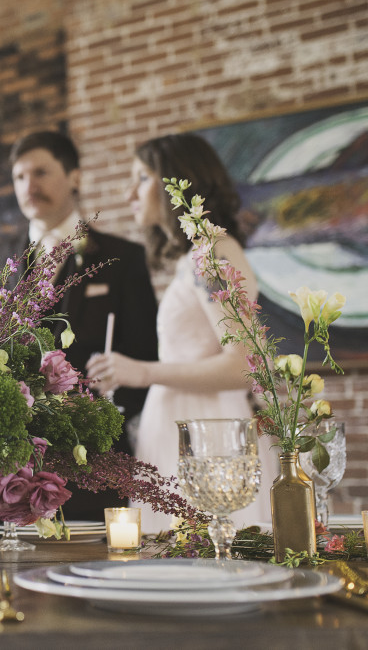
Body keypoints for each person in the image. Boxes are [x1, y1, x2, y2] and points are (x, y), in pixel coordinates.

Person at [0, 130, 159, 532]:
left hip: (90, 474)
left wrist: (97, 419)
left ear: (75, 177)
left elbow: (145, 359)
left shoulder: (122, 260)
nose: (28, 186)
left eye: (40, 172)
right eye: (19, 177)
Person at [88, 133, 277, 533]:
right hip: (178, 426)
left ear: (176, 181)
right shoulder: (193, 257)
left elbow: (245, 364)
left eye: (141, 177)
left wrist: (141, 372)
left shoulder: (212, 253)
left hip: (208, 439)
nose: (128, 194)